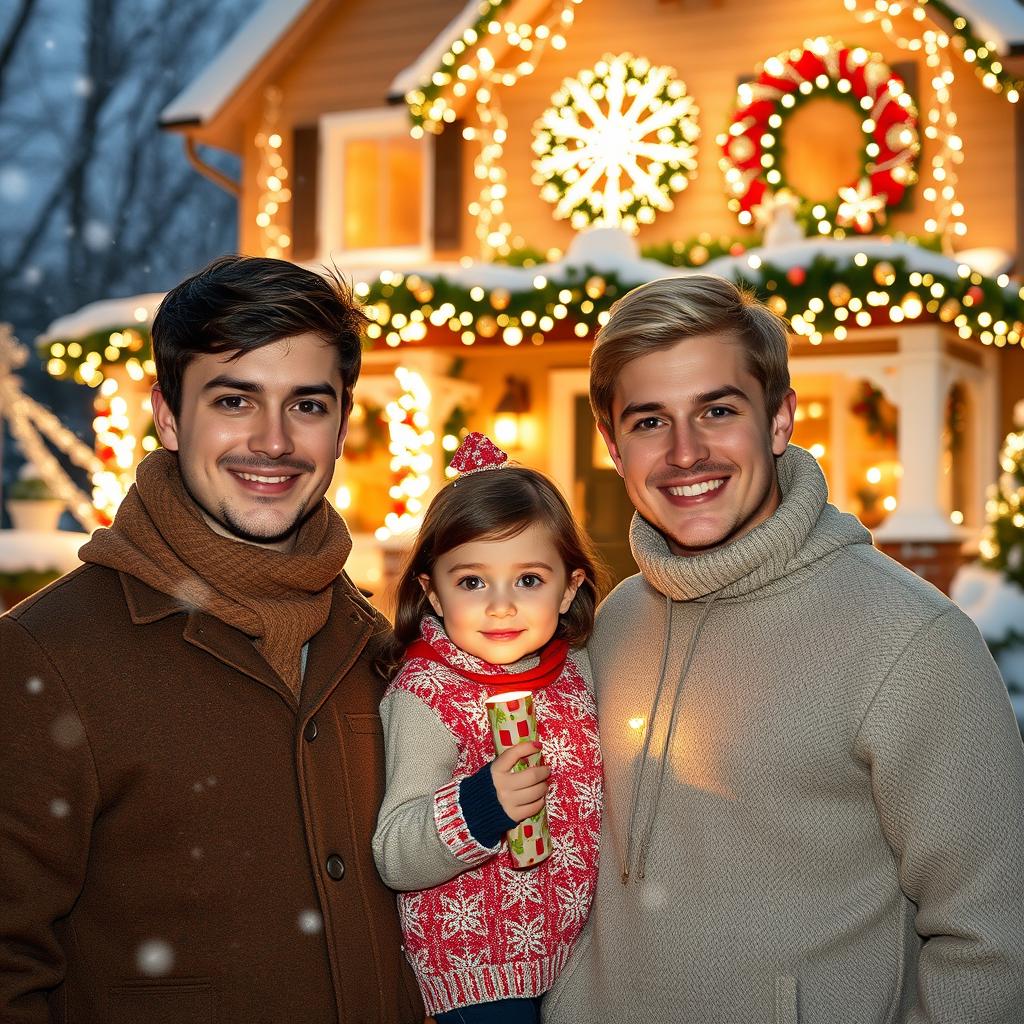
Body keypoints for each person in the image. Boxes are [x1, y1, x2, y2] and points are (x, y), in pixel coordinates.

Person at [543, 275, 1024, 1024]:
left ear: (778, 420)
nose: (685, 452)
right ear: (612, 445)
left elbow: (994, 943)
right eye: (649, 422)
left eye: (718, 411)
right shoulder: (612, 623)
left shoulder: (911, 642)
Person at [0, 255, 423, 1023]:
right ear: (168, 415)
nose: (273, 441)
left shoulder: (375, 650)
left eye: (307, 405)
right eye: (235, 400)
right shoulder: (45, 657)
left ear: (341, 423)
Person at [373, 433, 604, 1024]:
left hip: (582, 955)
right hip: (481, 973)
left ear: (570, 586)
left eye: (528, 579)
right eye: (472, 582)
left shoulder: (576, 673)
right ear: (432, 592)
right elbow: (395, 851)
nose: (501, 606)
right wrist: (481, 805)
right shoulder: (428, 696)